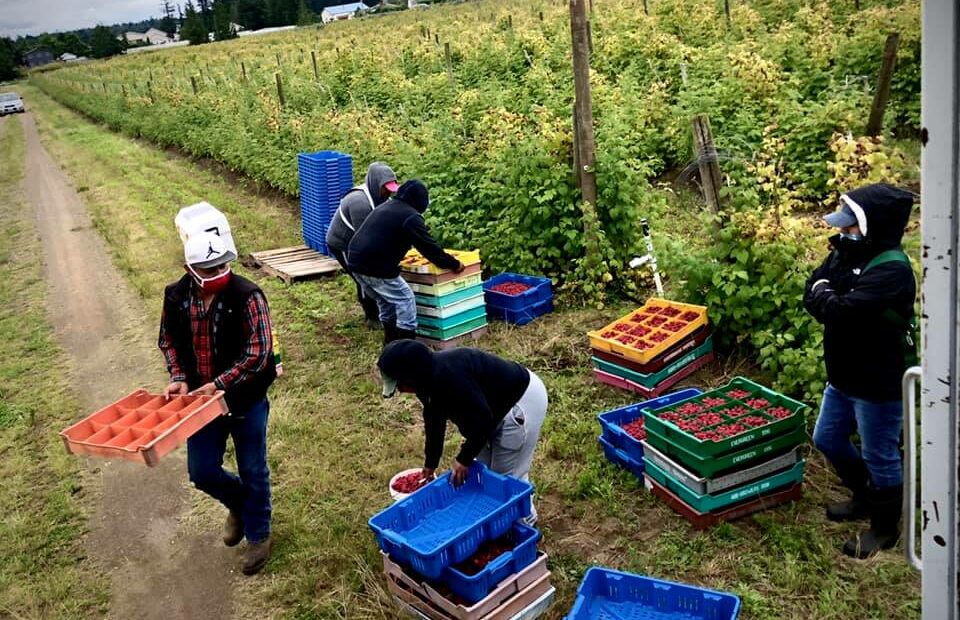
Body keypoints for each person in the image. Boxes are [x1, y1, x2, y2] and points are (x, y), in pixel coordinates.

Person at [804, 183, 916, 559]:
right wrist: (826, 295)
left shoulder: (892, 270)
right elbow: (813, 291)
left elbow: (840, 312)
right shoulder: (844, 252)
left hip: (878, 381)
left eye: (850, 225)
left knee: (880, 454)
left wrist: (828, 297)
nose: (842, 231)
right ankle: (866, 496)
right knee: (827, 439)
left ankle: (885, 529)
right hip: (843, 374)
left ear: (873, 226)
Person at [158, 228, 277, 575]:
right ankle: (241, 504)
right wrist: (179, 377)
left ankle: (259, 535)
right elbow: (169, 341)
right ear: (188, 267)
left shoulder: (247, 295)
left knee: (253, 467)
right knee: (202, 470)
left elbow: (259, 352)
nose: (218, 275)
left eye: (223, 266)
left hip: (244, 395)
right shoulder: (176, 296)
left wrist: (220, 383)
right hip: (200, 401)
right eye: (209, 271)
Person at [377, 340, 548, 522]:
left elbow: (483, 420)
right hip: (491, 410)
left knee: (506, 477)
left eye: (400, 385)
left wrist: (463, 459)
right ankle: (496, 521)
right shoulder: (426, 380)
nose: (401, 391)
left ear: (411, 375)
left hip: (520, 401)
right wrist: (431, 462)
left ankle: (527, 526)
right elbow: (434, 419)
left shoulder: (450, 376)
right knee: (484, 473)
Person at [347, 180, 462, 344]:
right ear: (421, 201)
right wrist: (454, 264)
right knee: (405, 300)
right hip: (376, 265)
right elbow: (429, 248)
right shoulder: (410, 217)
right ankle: (406, 348)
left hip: (355, 261)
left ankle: (390, 343)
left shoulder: (387, 206)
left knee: (385, 301)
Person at [326, 162, 400, 329]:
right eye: (386, 188)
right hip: (344, 243)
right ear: (375, 183)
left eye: (392, 189)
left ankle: (381, 311)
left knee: (371, 273)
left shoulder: (380, 197)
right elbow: (367, 239)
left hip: (361, 240)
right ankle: (371, 317)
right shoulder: (359, 203)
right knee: (362, 275)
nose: (389, 193)